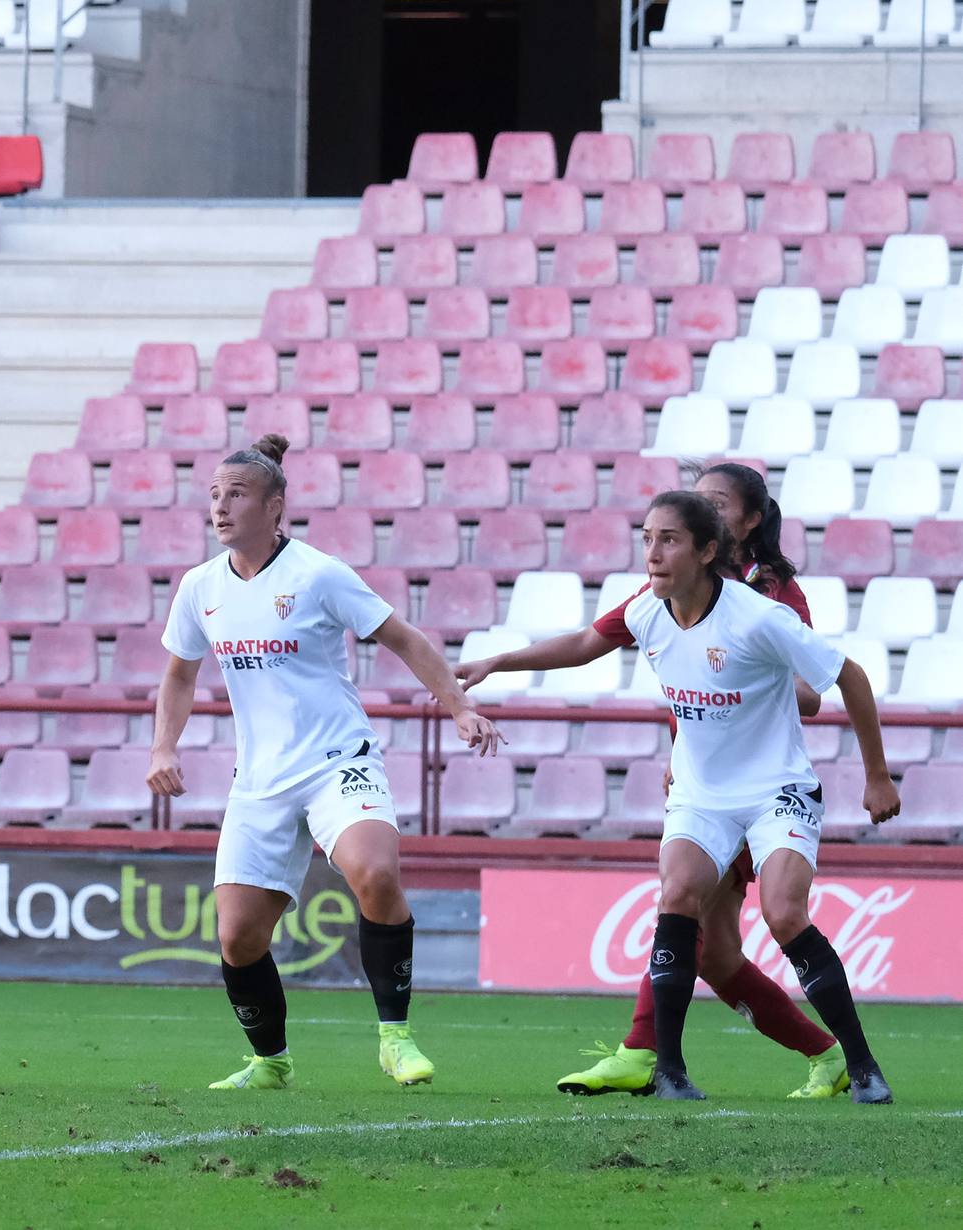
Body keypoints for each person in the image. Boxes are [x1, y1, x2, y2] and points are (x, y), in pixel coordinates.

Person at [464, 490, 899, 1102]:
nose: (653, 553)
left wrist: (876, 775)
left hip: (777, 790)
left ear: (708, 550)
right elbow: (584, 645)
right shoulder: (647, 611)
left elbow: (847, 676)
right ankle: (667, 1071)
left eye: (668, 539)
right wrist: (497, 662)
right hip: (701, 796)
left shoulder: (758, 615)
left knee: (783, 914)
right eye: (646, 538)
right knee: (678, 897)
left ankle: (862, 1066)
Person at [145, 435, 500, 1092]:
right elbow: (177, 676)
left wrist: (458, 707)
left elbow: (403, 637)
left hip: (338, 761)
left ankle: (396, 1038)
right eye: (215, 495)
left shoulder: (318, 574)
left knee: (377, 873)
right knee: (238, 939)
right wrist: (163, 747)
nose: (221, 507)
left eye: (237, 494)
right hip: (260, 781)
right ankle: (270, 1061)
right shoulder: (200, 588)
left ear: (276, 506)